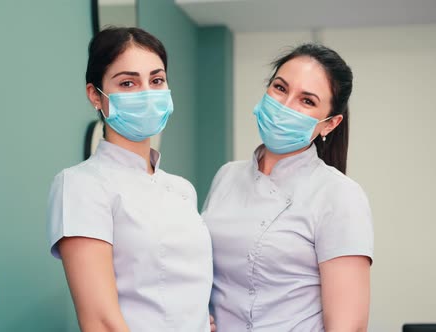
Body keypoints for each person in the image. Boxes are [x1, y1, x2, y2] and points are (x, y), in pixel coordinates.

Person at [46, 27, 214, 332]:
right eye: (128, 82)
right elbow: (100, 322)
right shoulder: (80, 185)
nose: (147, 93)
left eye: (157, 80)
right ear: (95, 95)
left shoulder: (182, 190)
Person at [203, 44, 374, 331]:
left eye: (306, 101)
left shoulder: (339, 195)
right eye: (280, 88)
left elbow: (348, 326)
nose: (285, 105)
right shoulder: (226, 177)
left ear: (329, 124)